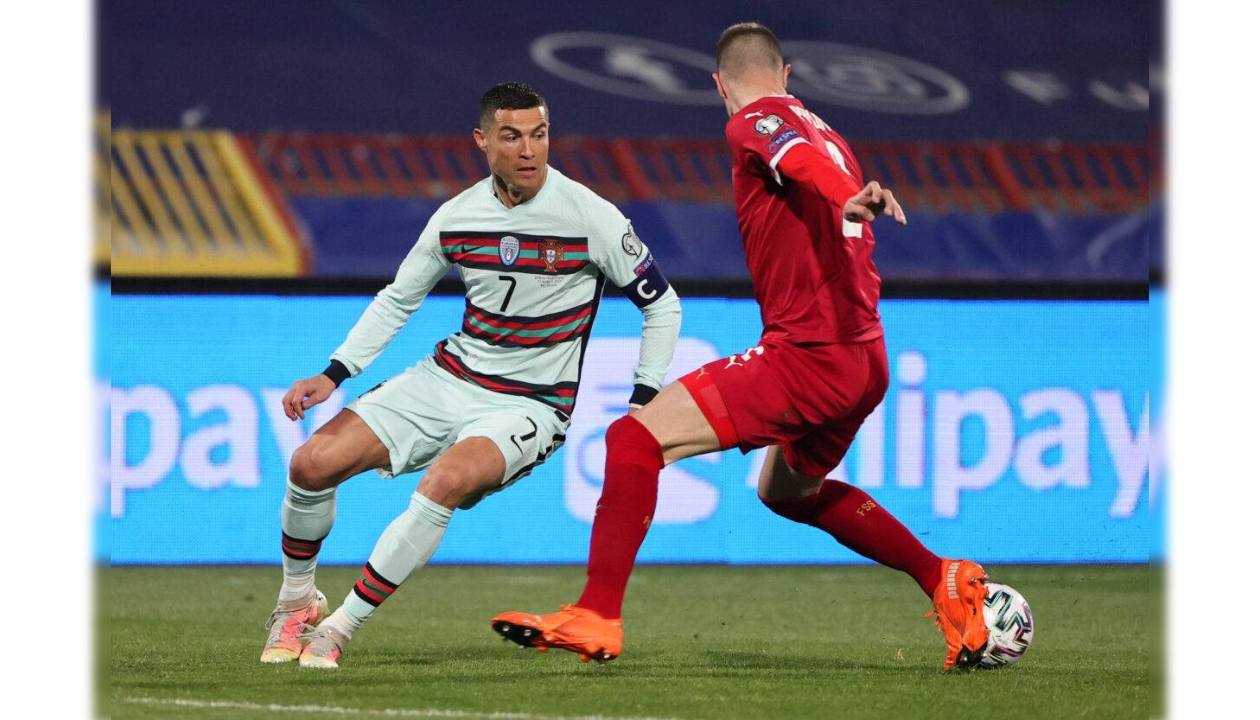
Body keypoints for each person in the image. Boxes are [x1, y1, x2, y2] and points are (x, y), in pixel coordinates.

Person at [490, 23, 991, 671]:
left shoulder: (751, 122)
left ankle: (596, 613)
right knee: (788, 492)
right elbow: (813, 171)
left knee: (634, 440)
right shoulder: (830, 134)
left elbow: (797, 165)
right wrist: (853, 192)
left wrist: (850, 197)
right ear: (787, 75)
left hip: (807, 356)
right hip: (865, 358)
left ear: (718, 84)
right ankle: (943, 577)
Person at [260, 81, 682, 668]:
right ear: (484, 141)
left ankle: (338, 629)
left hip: (530, 404)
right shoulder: (457, 216)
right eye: (512, 136)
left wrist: (646, 395)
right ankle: (296, 603)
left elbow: (662, 304)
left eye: (539, 135)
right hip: (450, 376)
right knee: (310, 463)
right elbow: (398, 299)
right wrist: (336, 372)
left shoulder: (590, 216)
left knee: (444, 481)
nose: (529, 150)